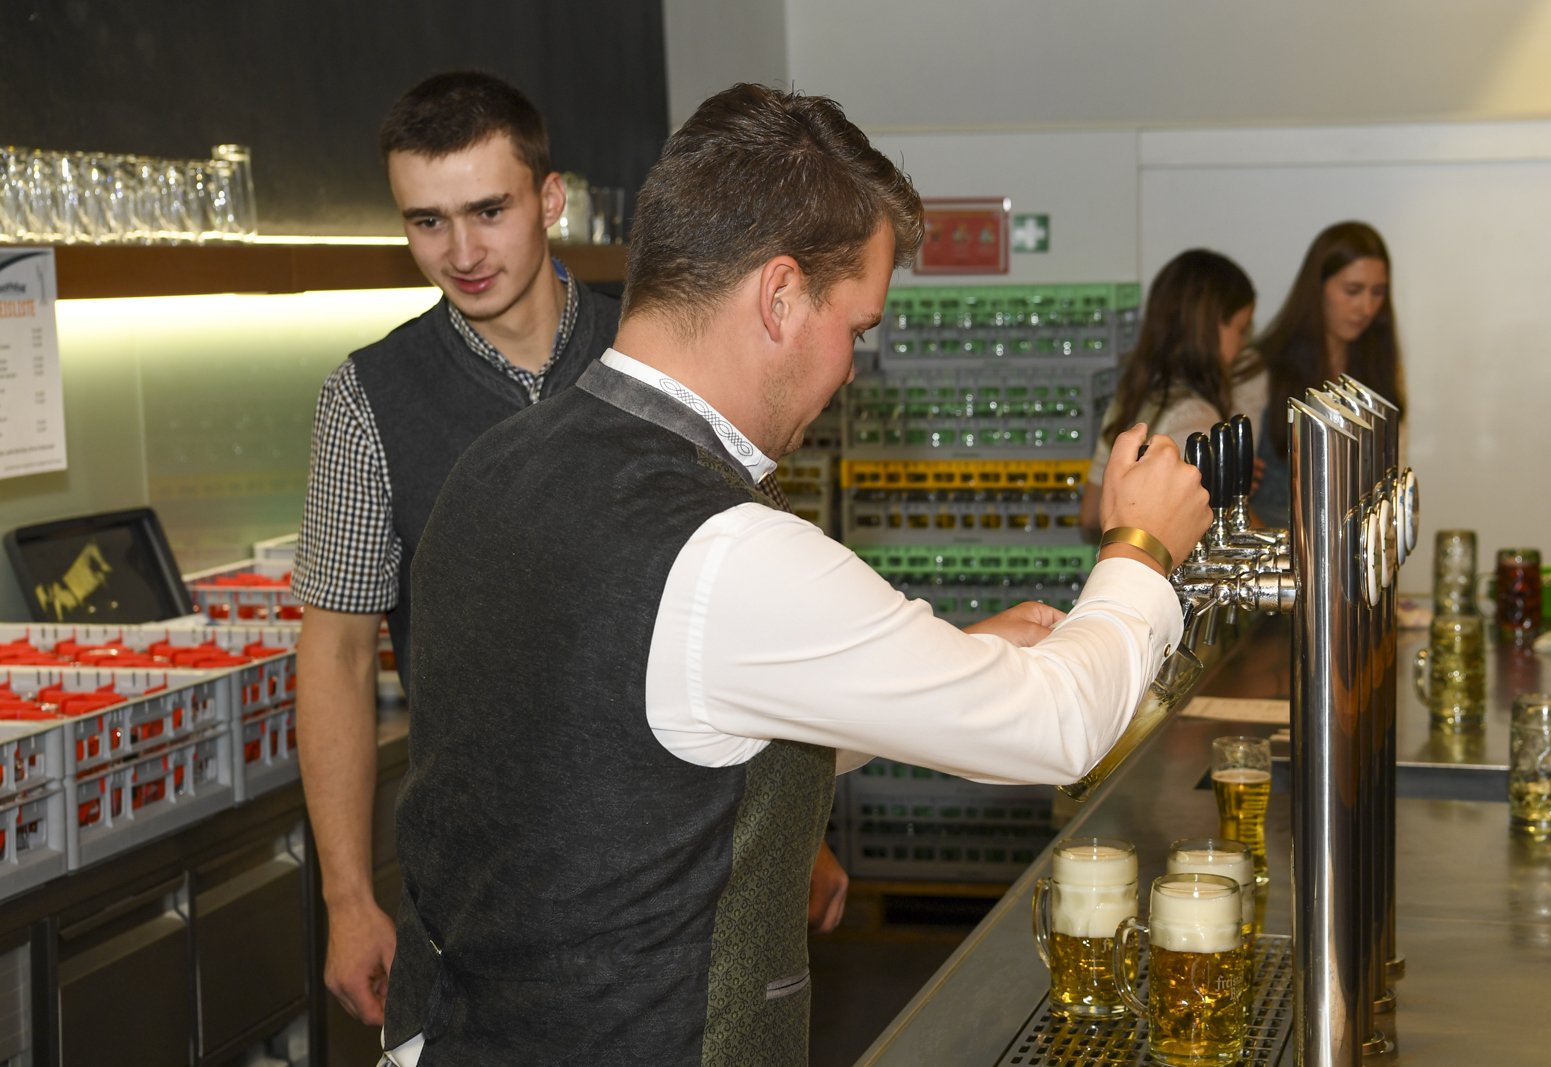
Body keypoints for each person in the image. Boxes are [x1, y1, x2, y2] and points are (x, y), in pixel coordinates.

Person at [382, 82, 1211, 1065]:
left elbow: (638, 739)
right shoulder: (722, 545)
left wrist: (926, 670)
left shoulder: (493, 464)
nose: (851, 369)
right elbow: (1057, 724)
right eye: (855, 328)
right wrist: (1140, 547)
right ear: (778, 296)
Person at [289, 71, 623, 1029]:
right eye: (427, 222)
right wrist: (348, 896)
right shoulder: (367, 399)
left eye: (488, 211)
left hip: (674, 854)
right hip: (475, 887)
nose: (463, 253)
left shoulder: (663, 350)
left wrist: (793, 828)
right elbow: (336, 652)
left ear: (548, 199)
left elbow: (754, 604)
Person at [1080, 248, 1264, 538]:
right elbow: (1232, 528)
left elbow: (1091, 514)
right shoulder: (1195, 417)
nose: (1242, 344)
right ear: (1210, 327)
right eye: (1241, 330)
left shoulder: (1132, 396)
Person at [1251, 220, 1407, 528]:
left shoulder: (1378, 366)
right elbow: (1231, 496)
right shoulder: (1263, 368)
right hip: (1272, 545)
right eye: (1352, 291)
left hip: (1353, 546)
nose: (1366, 307)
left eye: (1378, 293)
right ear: (1317, 288)